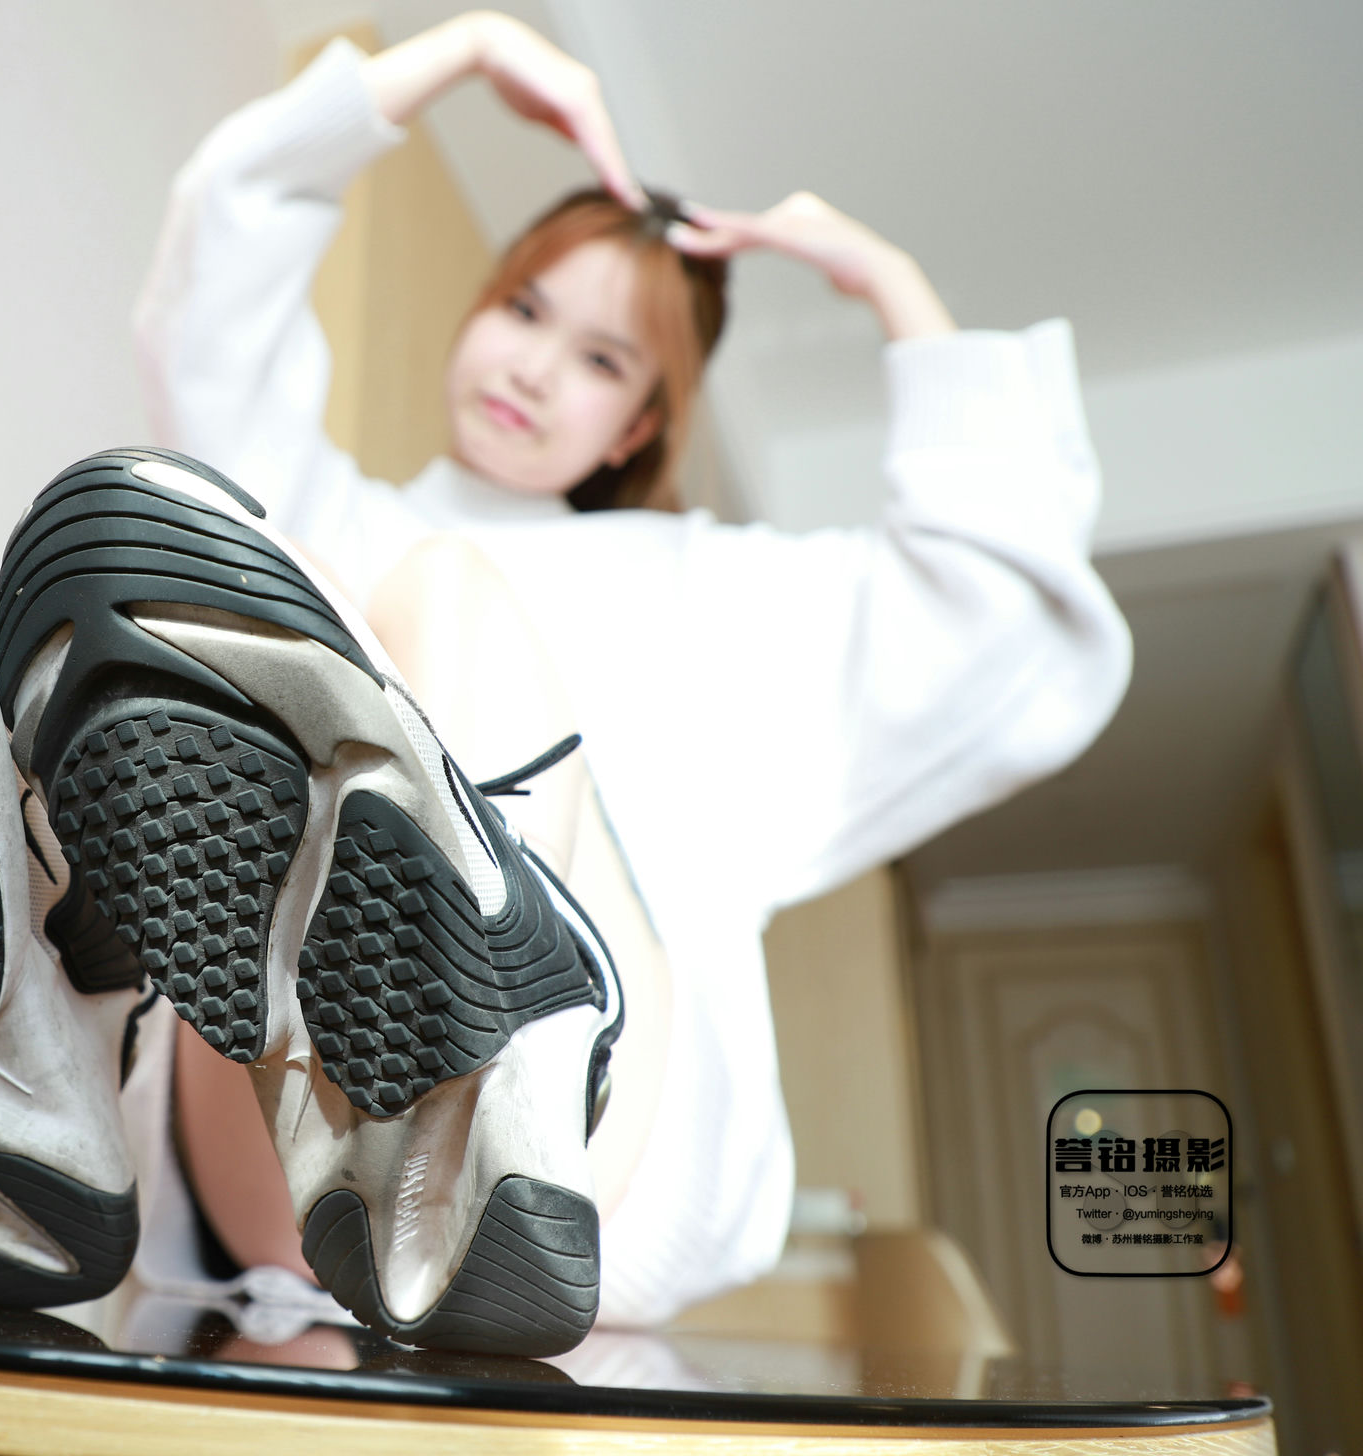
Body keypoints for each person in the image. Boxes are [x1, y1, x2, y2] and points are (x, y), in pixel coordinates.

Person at [118, 10, 1132, 1332]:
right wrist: (458, 51)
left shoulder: (718, 592)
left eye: (600, 360)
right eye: (522, 309)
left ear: (639, 423)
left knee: (435, 605)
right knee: (243, 602)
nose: (535, 369)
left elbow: (1006, 619)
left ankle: (460, 1098)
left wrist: (887, 281)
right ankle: (27, 1044)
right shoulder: (333, 521)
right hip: (284, 1197)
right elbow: (214, 285)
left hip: (589, 1172)